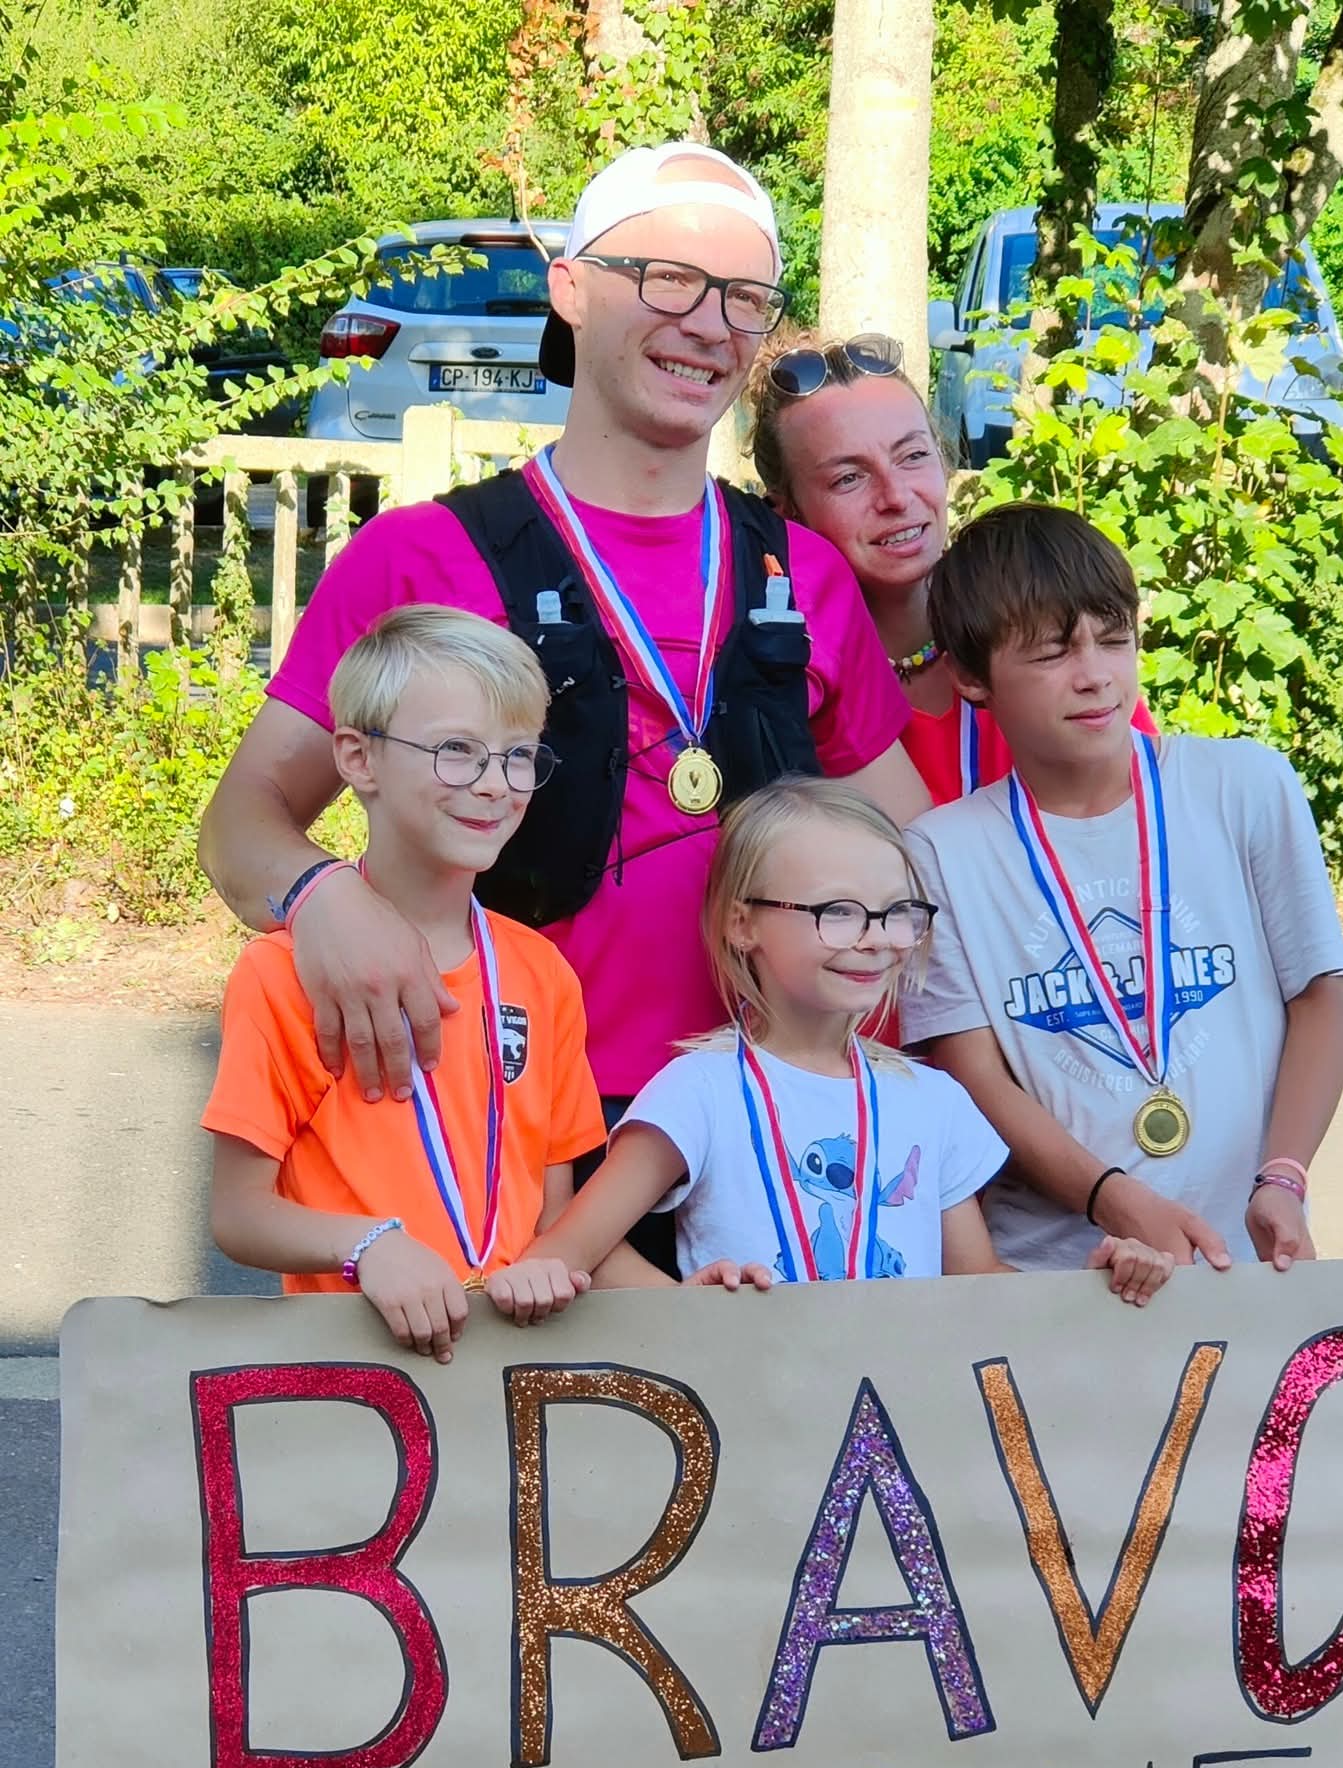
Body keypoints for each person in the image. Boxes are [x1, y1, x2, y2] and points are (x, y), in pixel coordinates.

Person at [198, 144, 928, 1137]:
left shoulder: (800, 574)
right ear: (571, 289)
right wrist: (323, 897)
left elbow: (921, 857)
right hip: (504, 1130)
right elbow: (240, 825)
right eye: (669, 280)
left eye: (743, 298)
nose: (708, 324)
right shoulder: (418, 557)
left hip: (768, 1134)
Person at [899, 502, 1343, 1274]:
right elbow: (971, 1070)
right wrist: (1109, 1198)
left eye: (1113, 640)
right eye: (1051, 653)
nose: (1094, 676)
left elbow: (1317, 998)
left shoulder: (1243, 786)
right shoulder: (939, 851)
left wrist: (1283, 1177)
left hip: (1245, 1256)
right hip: (1057, 1273)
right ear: (972, 677)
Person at [523, 778, 1174, 1304]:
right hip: (756, 1411)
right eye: (837, 912)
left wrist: (1095, 1288)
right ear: (742, 924)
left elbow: (976, 1286)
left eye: (896, 912)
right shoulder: (698, 1090)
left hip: (904, 1414)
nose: (875, 938)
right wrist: (686, 1310)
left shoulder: (934, 1099)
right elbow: (573, 1249)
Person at [202, 606, 619, 1362]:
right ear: (358, 759)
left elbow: (549, 1215)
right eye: (457, 751)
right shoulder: (281, 973)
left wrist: (685, 1294)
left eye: (518, 756)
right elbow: (238, 1215)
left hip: (507, 1371)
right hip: (358, 1377)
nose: (495, 785)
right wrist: (369, 1247)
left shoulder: (541, 973)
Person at [745, 329, 1157, 807]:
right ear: (785, 514)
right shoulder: (784, 674)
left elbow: (1150, 807)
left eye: (913, 456)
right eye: (849, 478)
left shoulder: (1045, 620)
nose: (897, 497)